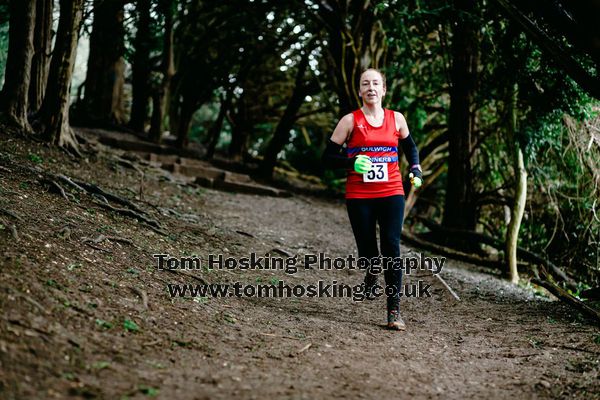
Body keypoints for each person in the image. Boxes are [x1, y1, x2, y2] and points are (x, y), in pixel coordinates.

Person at [322, 68, 422, 331]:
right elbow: (327, 158)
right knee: (368, 250)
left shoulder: (396, 119)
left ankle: (394, 310)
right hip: (359, 195)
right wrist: (351, 163)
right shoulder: (349, 121)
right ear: (359, 91)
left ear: (384, 89)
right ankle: (371, 271)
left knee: (391, 245)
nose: (371, 87)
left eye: (376, 83)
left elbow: (410, 147)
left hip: (391, 192)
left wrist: (415, 168)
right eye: (365, 83)